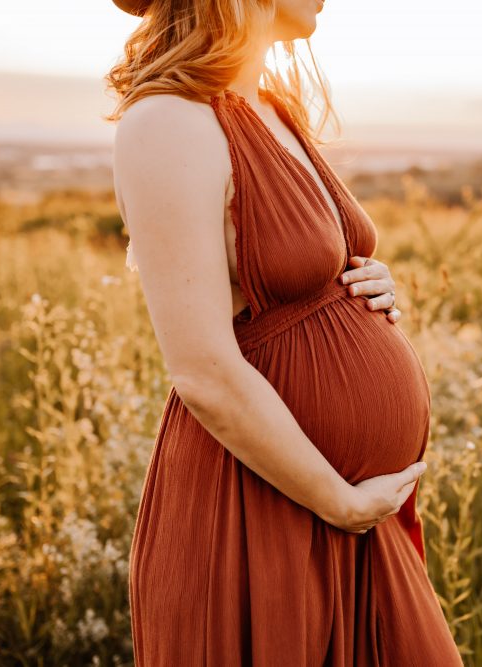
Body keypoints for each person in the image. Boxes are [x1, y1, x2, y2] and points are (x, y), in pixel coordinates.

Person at [105, 0, 463, 664]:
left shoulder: (273, 107)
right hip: (258, 512)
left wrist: (364, 282)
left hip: (352, 517)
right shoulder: (168, 124)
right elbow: (202, 369)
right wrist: (340, 501)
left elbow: (291, 272)